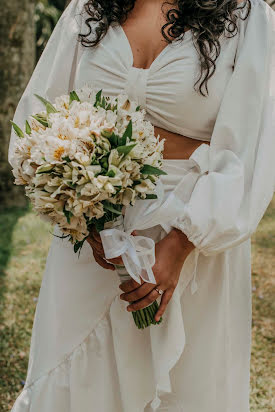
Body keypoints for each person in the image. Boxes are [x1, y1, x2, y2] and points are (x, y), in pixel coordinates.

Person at [8, 0, 275, 411]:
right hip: (90, 236)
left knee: (184, 389)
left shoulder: (246, 16)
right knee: (80, 382)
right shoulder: (89, 9)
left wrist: (182, 243)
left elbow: (251, 149)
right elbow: (39, 117)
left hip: (192, 236)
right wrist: (83, 215)